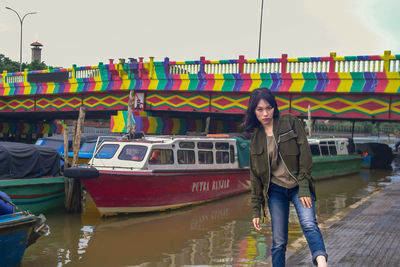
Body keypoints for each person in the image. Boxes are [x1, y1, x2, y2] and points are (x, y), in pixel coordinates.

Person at [243, 88, 328, 267]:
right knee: (279, 241)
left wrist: (304, 186)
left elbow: (305, 155)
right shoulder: (256, 138)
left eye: (269, 107)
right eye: (260, 109)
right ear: (253, 111)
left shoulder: (290, 122)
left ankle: (322, 263)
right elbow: (255, 177)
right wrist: (256, 210)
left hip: (298, 186)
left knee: (309, 224)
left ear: (274, 107)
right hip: (276, 191)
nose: (265, 113)